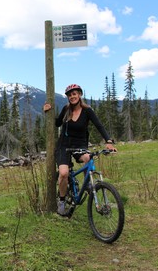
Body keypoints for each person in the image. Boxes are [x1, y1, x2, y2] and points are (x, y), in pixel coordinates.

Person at [43, 83, 117, 216]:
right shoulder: (66, 109)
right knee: (64, 173)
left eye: (74, 94)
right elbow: (57, 123)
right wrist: (48, 111)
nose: (72, 97)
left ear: (80, 94)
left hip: (80, 145)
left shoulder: (87, 111)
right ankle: (61, 201)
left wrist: (108, 141)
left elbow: (99, 126)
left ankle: (89, 185)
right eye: (70, 95)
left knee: (88, 158)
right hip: (64, 146)